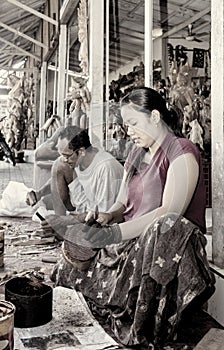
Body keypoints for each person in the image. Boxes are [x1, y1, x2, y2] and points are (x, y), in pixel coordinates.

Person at [50, 88, 215, 349]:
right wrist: (107, 216)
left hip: (165, 249)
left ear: (155, 116)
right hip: (131, 239)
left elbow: (169, 211)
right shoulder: (137, 154)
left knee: (167, 225)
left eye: (133, 123)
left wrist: (116, 233)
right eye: (126, 125)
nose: (129, 132)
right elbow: (121, 203)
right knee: (69, 264)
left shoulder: (181, 151)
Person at [27, 126, 123, 221]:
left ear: (81, 151)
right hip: (84, 205)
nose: (65, 159)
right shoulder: (78, 158)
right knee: (59, 164)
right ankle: (58, 224)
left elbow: (102, 216)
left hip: (101, 215)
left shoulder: (106, 168)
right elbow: (55, 179)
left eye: (67, 156)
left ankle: (60, 222)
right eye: (63, 155)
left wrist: (65, 221)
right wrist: (39, 193)